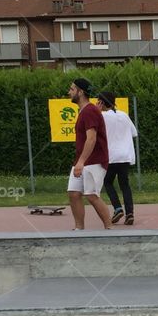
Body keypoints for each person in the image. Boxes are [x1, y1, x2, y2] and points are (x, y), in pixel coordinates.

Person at [67, 78, 112, 230]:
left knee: (91, 195)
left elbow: (91, 138)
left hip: (94, 161)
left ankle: (109, 228)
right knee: (73, 193)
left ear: (80, 92)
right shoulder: (86, 111)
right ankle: (79, 228)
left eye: (72, 89)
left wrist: (81, 161)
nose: (69, 92)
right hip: (82, 161)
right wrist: (79, 162)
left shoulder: (89, 110)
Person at [97, 91, 138, 225]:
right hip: (125, 155)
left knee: (108, 182)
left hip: (111, 156)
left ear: (101, 103)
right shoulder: (124, 115)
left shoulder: (101, 116)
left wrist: (96, 112)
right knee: (124, 184)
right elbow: (134, 133)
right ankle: (130, 213)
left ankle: (118, 208)